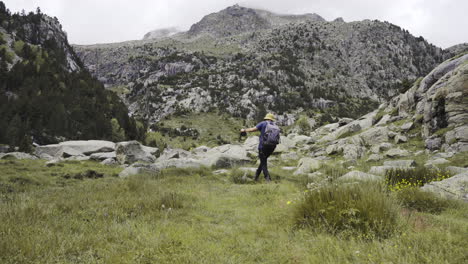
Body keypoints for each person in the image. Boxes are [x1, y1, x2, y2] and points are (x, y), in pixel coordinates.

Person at [240, 113, 279, 182]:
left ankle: (268, 179)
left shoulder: (263, 123)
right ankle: (256, 177)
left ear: (266, 118)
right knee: (263, 161)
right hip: (272, 146)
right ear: (272, 119)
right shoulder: (275, 126)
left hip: (263, 146)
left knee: (263, 162)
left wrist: (244, 130)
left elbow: (253, 129)